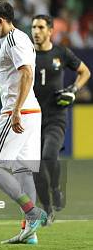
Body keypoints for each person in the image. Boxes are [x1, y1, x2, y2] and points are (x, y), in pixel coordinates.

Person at [0, 0, 47, 245]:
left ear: (0, 21)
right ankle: (30, 233)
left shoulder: (12, 40)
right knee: (22, 170)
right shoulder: (21, 38)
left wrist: (16, 110)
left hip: (17, 112)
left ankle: (32, 212)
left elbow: (27, 73)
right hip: (32, 110)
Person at [31, 14, 90, 221]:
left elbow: (85, 72)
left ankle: (56, 188)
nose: (36, 32)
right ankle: (47, 208)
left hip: (56, 116)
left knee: (48, 155)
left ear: (49, 31)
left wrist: (73, 89)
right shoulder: (27, 54)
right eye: (33, 27)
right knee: (34, 165)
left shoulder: (61, 53)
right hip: (33, 118)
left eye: (40, 27)